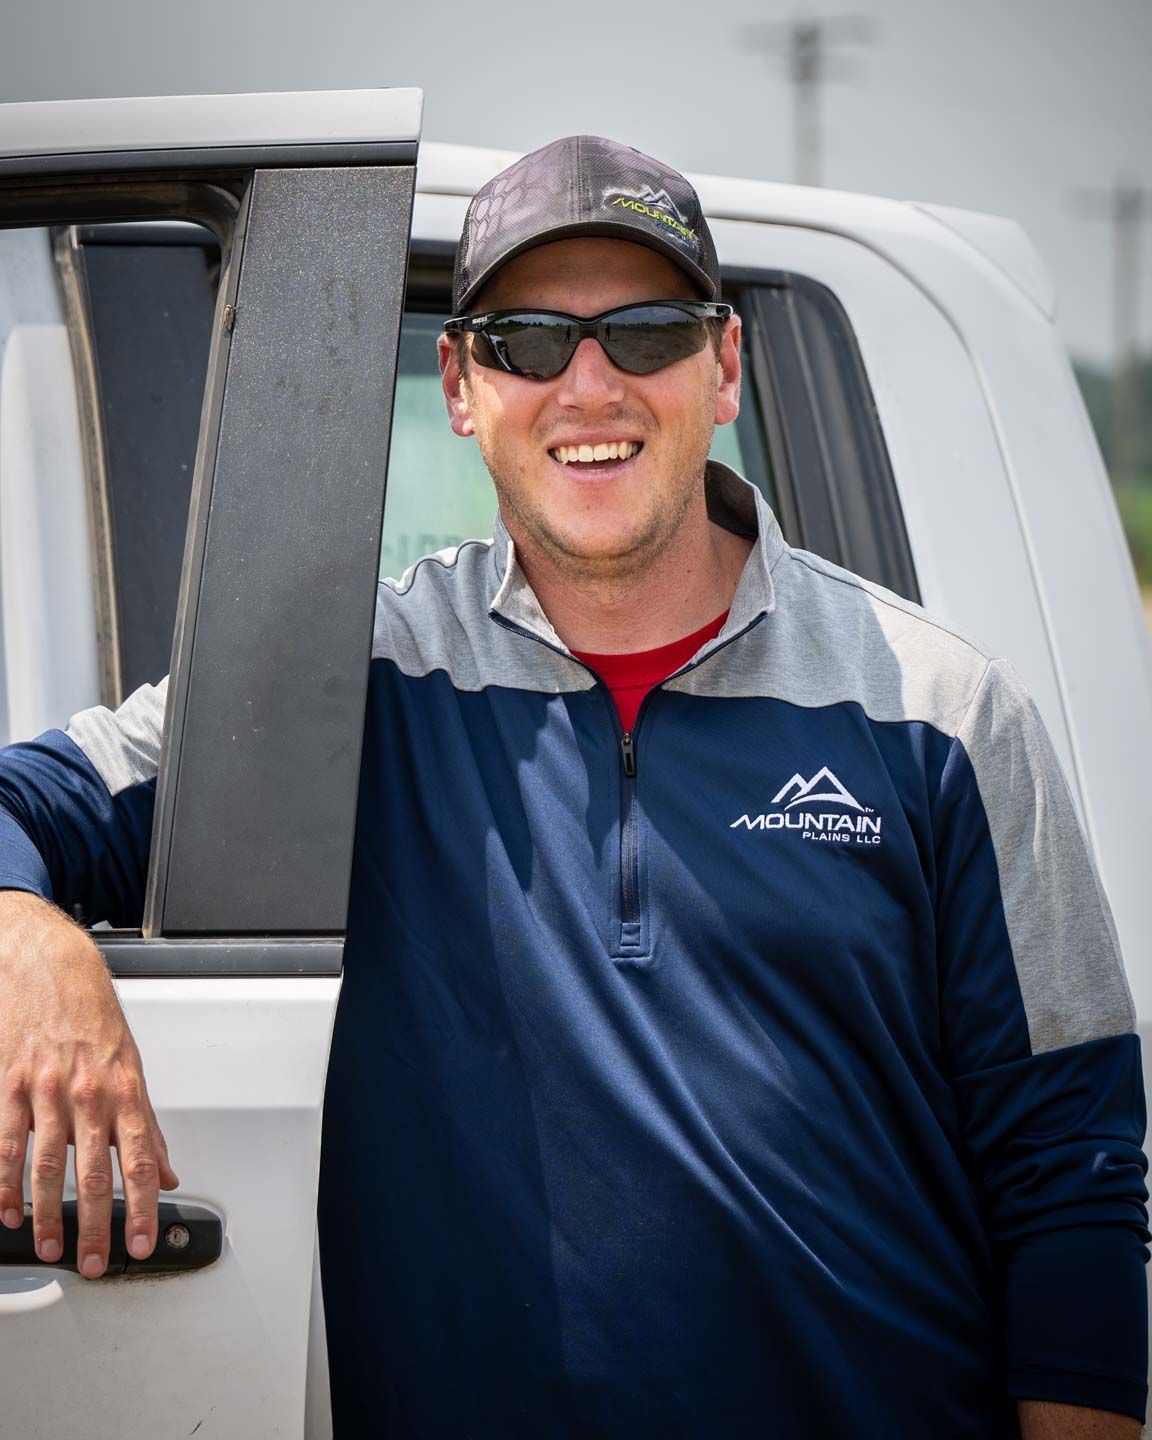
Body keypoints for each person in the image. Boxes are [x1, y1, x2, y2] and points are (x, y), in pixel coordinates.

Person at [0, 135, 1146, 1439]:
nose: (588, 386)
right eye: (528, 342)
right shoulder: (352, 686)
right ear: (461, 386)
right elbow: (29, 800)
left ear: (722, 368)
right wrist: (25, 937)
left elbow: (1077, 1181)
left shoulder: (941, 711)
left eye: (646, 333)